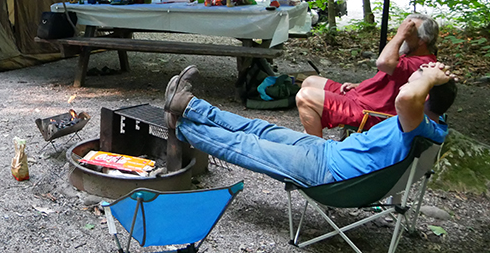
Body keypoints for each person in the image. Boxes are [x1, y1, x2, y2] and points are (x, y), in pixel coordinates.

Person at [164, 63, 456, 187]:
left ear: (425, 95)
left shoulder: (418, 123)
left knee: (248, 146)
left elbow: (406, 99)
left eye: (416, 79)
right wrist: (429, 78)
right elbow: (408, 97)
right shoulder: (435, 123)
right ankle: (188, 105)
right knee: (259, 129)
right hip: (328, 151)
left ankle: (181, 124)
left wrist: (428, 77)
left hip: (328, 172)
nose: (409, 81)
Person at [295, 14, 439, 136]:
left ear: (422, 40)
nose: (403, 35)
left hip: (369, 112)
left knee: (305, 97)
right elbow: (388, 81)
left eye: (409, 32)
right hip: (359, 97)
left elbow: (383, 63)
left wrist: (399, 35)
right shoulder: (409, 56)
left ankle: (315, 150)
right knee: (310, 81)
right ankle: (309, 134)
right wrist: (360, 85)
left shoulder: (421, 65)